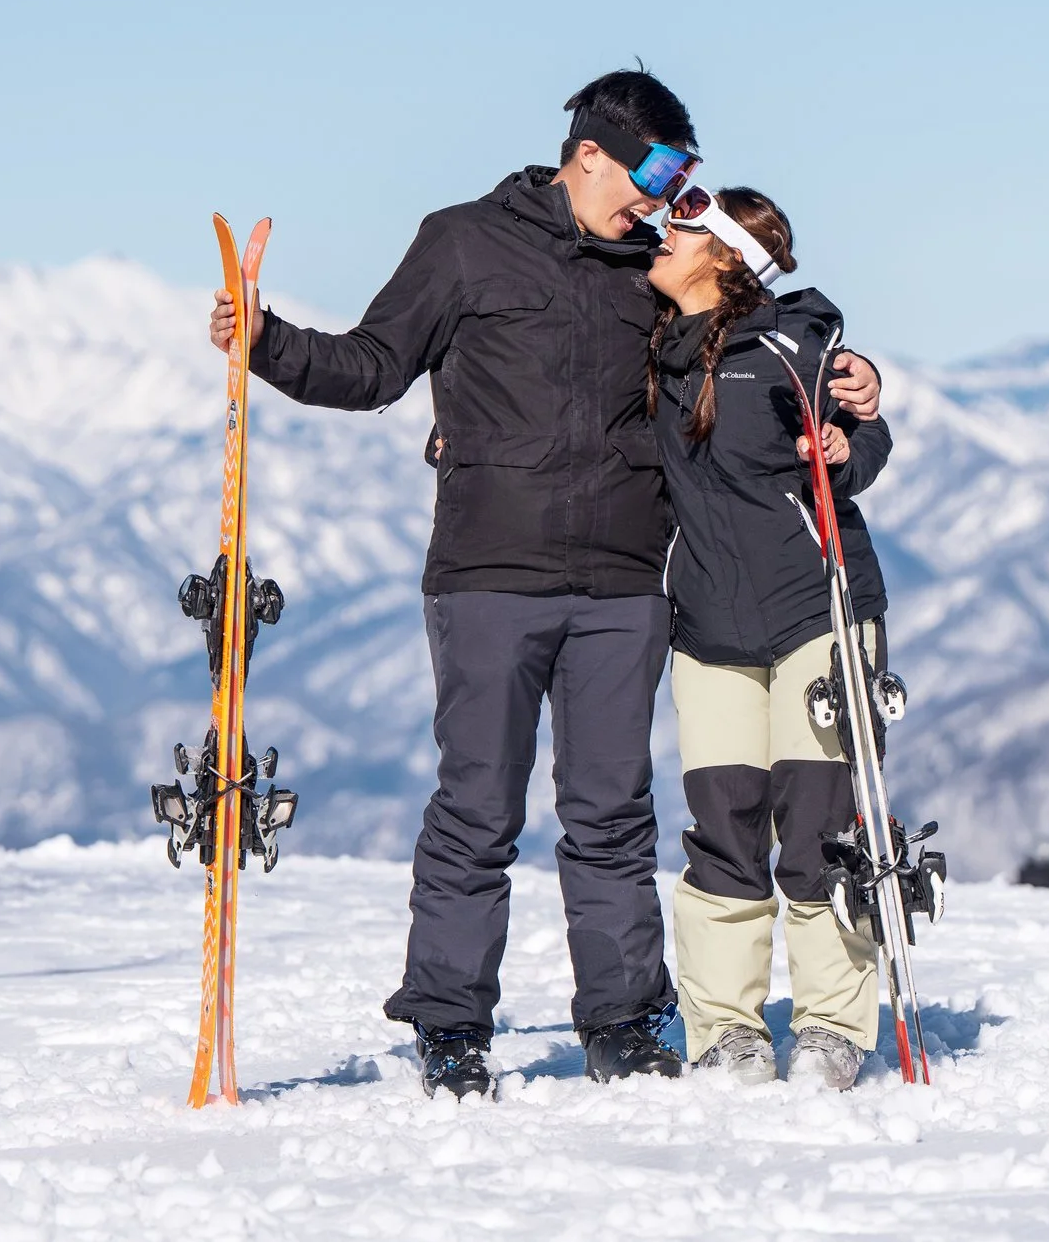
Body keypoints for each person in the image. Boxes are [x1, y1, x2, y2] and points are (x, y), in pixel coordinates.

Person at [206, 71, 882, 1098]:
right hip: (488, 575)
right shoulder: (463, 242)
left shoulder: (647, 269)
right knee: (476, 807)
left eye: (679, 182)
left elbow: (750, 324)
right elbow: (373, 365)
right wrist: (267, 343)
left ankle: (626, 1020)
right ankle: (449, 1023)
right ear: (590, 153)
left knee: (612, 814)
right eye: (654, 173)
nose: (661, 200)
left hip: (623, 585)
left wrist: (854, 376)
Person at [643, 183, 892, 1091]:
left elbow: (861, 433)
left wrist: (849, 445)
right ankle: (726, 1029)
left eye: (679, 228)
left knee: (819, 827)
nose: (660, 235)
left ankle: (831, 1023)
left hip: (817, 613)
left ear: (723, 257)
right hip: (710, 627)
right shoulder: (651, 346)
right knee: (724, 826)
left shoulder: (793, 345)